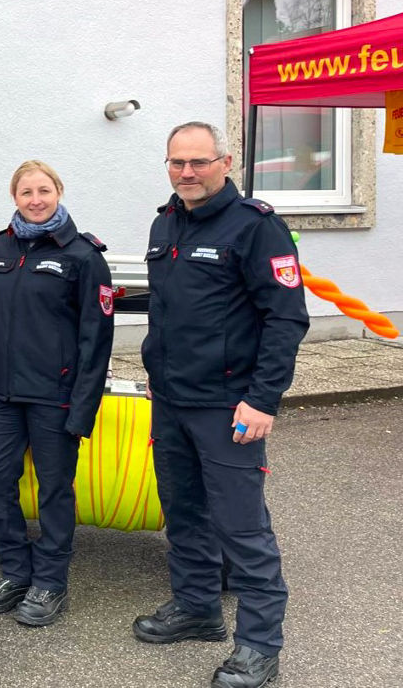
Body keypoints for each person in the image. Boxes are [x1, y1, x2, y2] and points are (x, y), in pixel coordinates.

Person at [133, 122, 308, 688]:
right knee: (184, 512)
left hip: (230, 406)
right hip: (172, 400)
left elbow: (286, 318)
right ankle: (197, 607)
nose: (187, 172)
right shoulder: (165, 222)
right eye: (176, 162)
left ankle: (259, 646)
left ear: (225, 163)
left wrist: (263, 400)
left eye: (199, 162)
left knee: (241, 527)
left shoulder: (257, 227)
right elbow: (168, 309)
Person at [0, 160, 114, 626]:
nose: (36, 200)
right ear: (14, 197)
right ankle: (16, 572)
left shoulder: (83, 256)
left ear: (58, 192)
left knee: (54, 491)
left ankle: (51, 582)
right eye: (26, 192)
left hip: (56, 396)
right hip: (3, 395)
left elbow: (96, 339)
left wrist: (83, 408)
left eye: (44, 191)